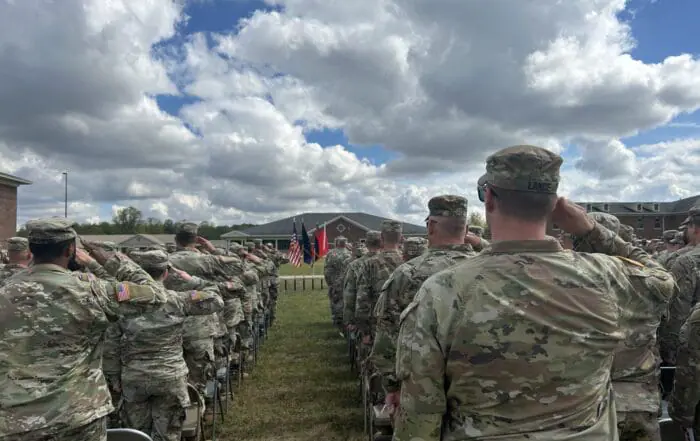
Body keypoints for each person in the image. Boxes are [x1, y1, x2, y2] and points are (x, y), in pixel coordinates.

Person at [393, 145, 674, 441]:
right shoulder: (605, 276)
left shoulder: (443, 291)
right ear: (555, 205)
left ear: (488, 198)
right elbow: (662, 280)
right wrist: (591, 230)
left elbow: (420, 414)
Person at [0, 218, 167, 441]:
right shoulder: (91, 290)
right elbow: (155, 294)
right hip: (77, 417)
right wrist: (103, 261)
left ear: (30, 250)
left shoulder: (5, 290)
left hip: (15, 421)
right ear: (70, 249)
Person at [372, 195, 477, 419]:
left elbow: (387, 337)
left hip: (420, 392)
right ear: (466, 228)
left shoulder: (407, 274)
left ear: (430, 227)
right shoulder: (488, 270)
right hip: (478, 388)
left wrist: (392, 386)